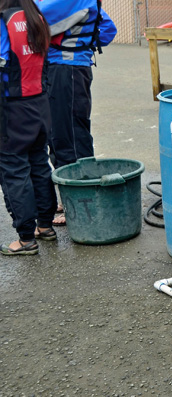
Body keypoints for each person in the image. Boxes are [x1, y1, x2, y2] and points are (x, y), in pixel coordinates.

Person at [35, 0, 116, 225]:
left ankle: (80, 202)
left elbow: (33, 20)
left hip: (65, 69)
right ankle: (70, 194)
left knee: (68, 137)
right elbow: (108, 29)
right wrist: (84, 45)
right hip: (68, 68)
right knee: (62, 134)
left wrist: (76, 48)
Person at [0, 0, 57, 255]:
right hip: (40, 102)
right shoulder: (36, 17)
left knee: (13, 169)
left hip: (12, 107)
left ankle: (25, 238)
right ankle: (45, 226)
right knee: (38, 163)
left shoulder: (4, 21)